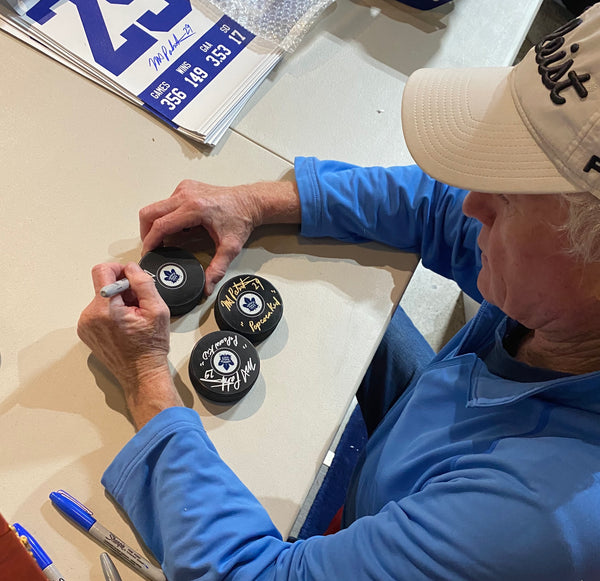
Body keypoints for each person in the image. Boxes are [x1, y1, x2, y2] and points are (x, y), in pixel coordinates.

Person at [77, 6, 600, 580]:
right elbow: (434, 204)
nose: (472, 203)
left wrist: (146, 379)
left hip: (392, 513)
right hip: (425, 429)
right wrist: (257, 201)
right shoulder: (569, 304)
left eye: (509, 199)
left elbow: (254, 576)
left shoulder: (531, 519)